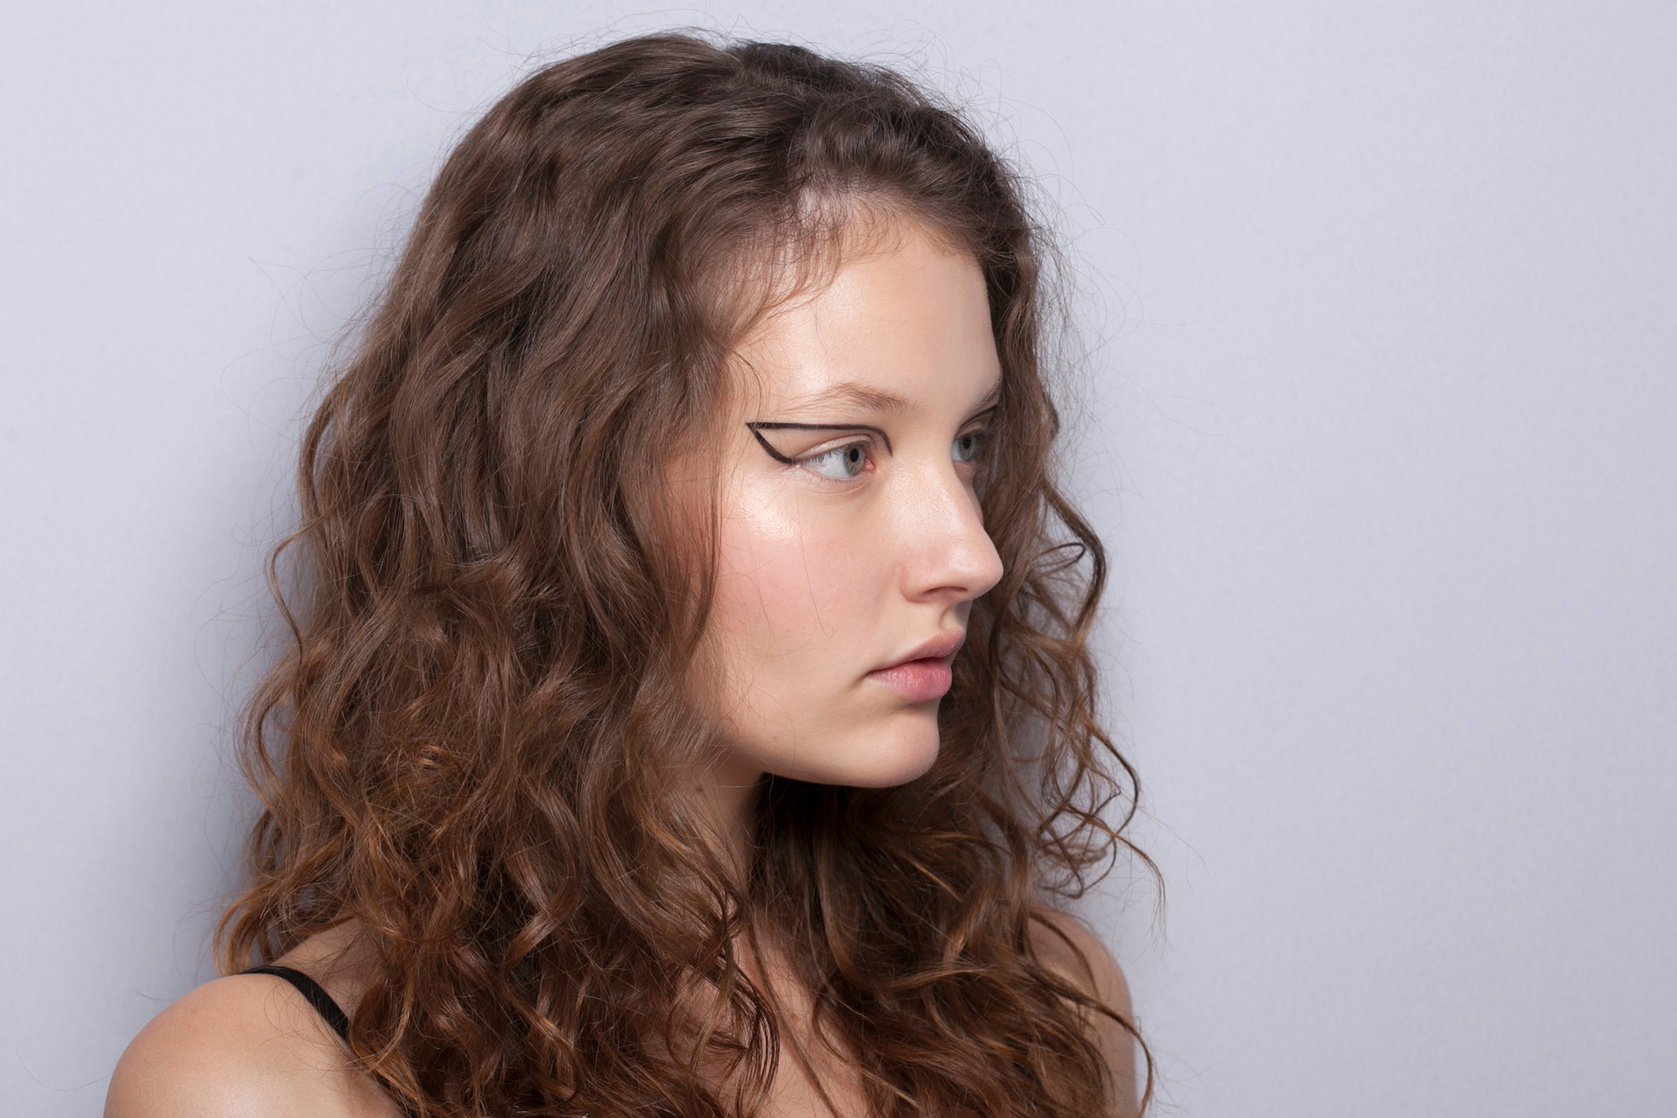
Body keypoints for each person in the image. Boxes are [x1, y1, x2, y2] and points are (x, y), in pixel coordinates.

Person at [105, 29, 1151, 1118]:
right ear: (568, 481)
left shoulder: (1046, 1009)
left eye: (970, 442)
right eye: (844, 453)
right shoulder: (276, 1085)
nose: (972, 555)